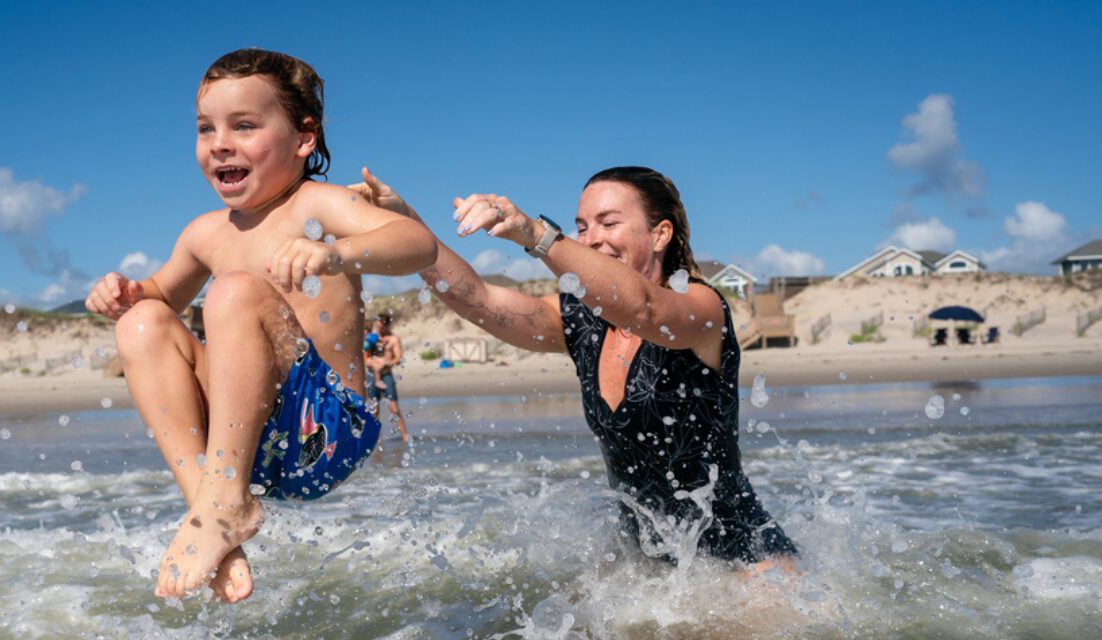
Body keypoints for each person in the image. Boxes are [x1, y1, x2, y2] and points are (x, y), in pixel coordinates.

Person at [84, 49, 436, 603]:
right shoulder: (205, 232)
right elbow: (157, 296)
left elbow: (416, 244)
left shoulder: (319, 204)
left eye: (243, 126)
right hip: (247, 447)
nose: (219, 142)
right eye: (206, 129)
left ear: (303, 138)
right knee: (141, 324)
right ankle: (211, 508)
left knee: (234, 292)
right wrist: (125, 293)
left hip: (326, 431)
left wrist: (337, 254)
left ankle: (221, 503)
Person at [350, 166, 797, 569]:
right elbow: (481, 300)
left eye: (609, 223)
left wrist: (535, 234)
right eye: (582, 227)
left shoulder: (702, 309)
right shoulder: (582, 321)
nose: (592, 239)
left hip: (746, 569)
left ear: (660, 235)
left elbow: (645, 310)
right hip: (652, 581)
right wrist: (407, 223)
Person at [364, 313, 409, 442]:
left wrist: (386, 363)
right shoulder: (371, 338)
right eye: (377, 326)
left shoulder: (393, 339)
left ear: (386, 325)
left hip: (387, 375)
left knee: (394, 408)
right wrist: (372, 363)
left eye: (381, 327)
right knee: (374, 408)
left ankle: (405, 436)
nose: (379, 330)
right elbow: (364, 355)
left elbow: (398, 358)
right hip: (372, 374)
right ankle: (373, 438)